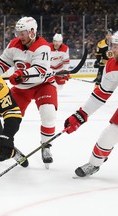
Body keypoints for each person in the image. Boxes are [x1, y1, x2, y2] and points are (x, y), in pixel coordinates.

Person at [0, 16, 56, 169]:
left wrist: (22, 75)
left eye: (23, 33)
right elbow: (1, 64)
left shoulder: (43, 47)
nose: (19, 36)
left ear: (32, 32)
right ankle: (3, 145)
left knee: (48, 113)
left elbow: (40, 71)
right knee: (7, 116)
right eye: (18, 33)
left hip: (43, 85)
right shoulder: (14, 44)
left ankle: (45, 146)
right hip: (21, 88)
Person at [64, 31, 118, 177]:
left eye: (117, 47)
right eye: (113, 46)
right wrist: (81, 114)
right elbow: (102, 94)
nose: (113, 50)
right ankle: (94, 164)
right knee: (108, 136)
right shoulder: (112, 65)